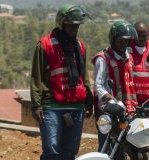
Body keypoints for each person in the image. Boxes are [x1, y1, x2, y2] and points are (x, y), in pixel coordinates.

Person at [30, 4, 93, 160]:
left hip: (76, 106)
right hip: (51, 106)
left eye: (77, 26)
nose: (74, 29)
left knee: (70, 152)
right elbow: (36, 77)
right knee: (51, 152)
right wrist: (36, 105)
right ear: (62, 23)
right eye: (71, 25)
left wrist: (89, 101)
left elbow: (83, 76)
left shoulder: (80, 45)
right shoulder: (45, 44)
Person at [92, 20, 138, 152]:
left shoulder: (129, 57)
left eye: (127, 41)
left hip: (127, 109)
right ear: (113, 39)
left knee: (124, 146)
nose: (124, 44)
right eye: (121, 41)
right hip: (109, 110)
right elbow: (98, 85)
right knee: (107, 144)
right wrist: (111, 100)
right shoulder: (103, 58)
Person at [128, 21, 149, 109]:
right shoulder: (126, 49)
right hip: (131, 102)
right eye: (138, 36)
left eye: (144, 36)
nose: (141, 38)